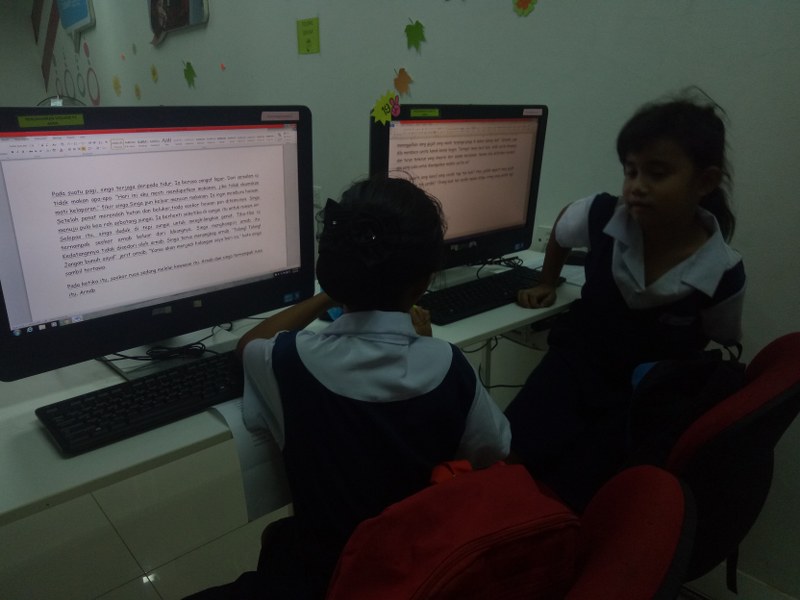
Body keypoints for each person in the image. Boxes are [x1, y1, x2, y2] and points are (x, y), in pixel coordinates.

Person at [187, 175, 510, 599]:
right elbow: (493, 449)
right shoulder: (451, 368)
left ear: (334, 270)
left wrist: (329, 294)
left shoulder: (285, 360)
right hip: (413, 573)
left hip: (318, 575)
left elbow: (249, 343)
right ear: (424, 281)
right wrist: (426, 346)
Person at [504, 94, 746, 511]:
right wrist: (547, 280)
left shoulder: (723, 273)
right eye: (630, 171)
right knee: (508, 455)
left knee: (580, 495)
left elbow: (718, 336)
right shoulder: (601, 215)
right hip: (572, 368)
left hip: (636, 401)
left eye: (657, 173)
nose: (637, 186)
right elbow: (562, 229)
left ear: (705, 182)